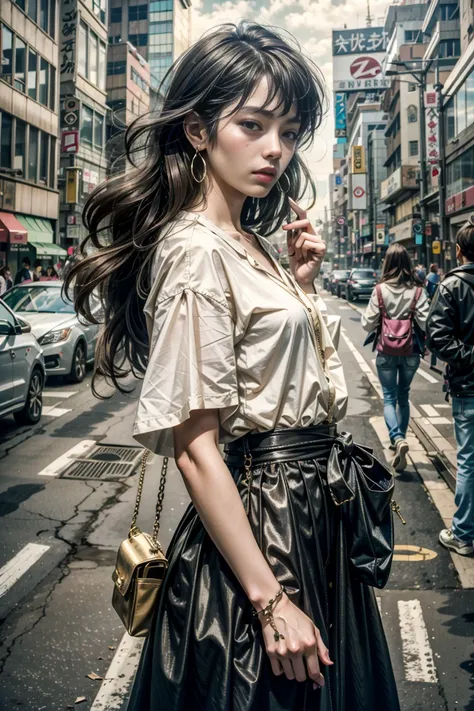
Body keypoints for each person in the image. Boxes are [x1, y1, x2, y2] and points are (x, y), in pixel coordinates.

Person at [65, 22, 400, 710]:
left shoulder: (250, 241)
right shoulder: (195, 249)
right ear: (196, 131)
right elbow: (195, 448)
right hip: (267, 525)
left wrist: (301, 287)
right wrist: (271, 600)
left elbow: (295, 386)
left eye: (289, 130)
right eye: (252, 124)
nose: (275, 148)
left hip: (312, 517)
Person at [426, 216, 474, 556]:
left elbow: (438, 337)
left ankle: (463, 533)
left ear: (458, 251)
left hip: (468, 386)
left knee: (469, 460)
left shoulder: (451, 286)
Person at [362, 243, 430, 471]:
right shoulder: (418, 290)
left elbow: (367, 323)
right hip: (411, 351)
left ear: (387, 264)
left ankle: (397, 438)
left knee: (389, 397)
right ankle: (400, 437)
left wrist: (385, 316)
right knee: (403, 396)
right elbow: (425, 321)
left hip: (386, 351)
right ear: (409, 264)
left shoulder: (380, 290)